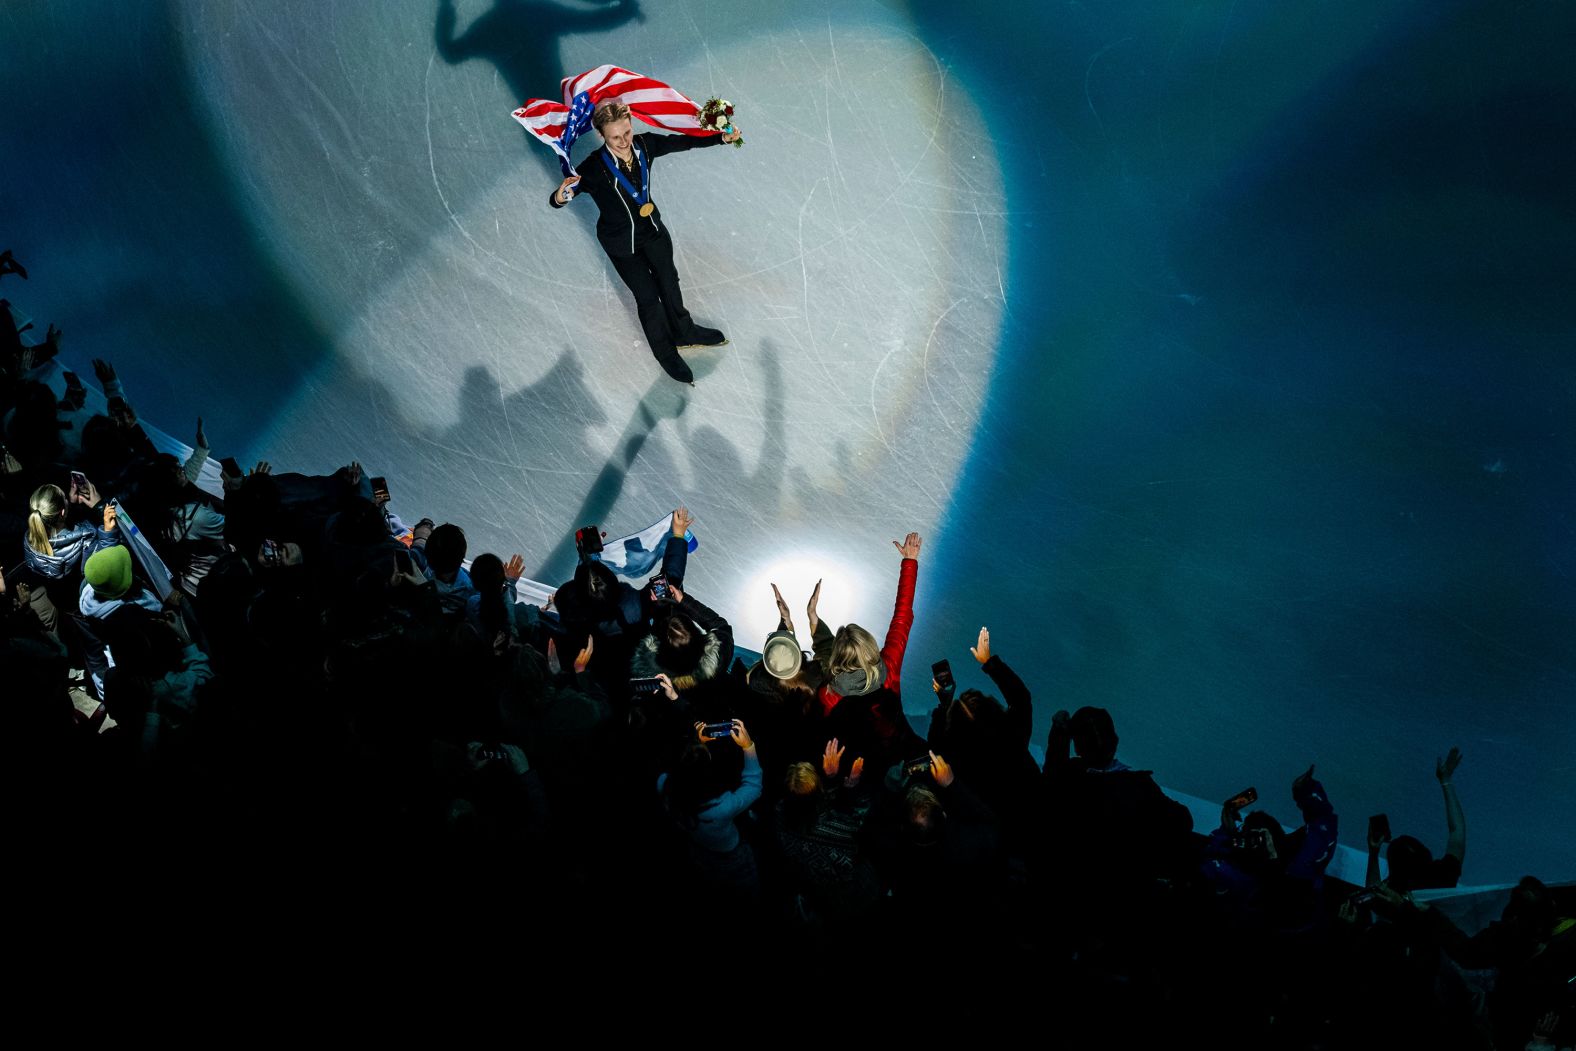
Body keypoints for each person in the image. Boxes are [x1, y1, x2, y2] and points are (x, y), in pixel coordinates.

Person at [549, 100, 741, 384]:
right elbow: (561, 198)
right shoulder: (593, 168)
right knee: (649, 299)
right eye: (616, 136)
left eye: (627, 132)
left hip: (653, 230)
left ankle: (685, 331)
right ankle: (665, 352)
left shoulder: (645, 145)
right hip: (622, 245)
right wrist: (560, 196)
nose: (624, 141)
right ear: (602, 135)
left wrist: (721, 138)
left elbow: (683, 142)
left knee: (669, 282)